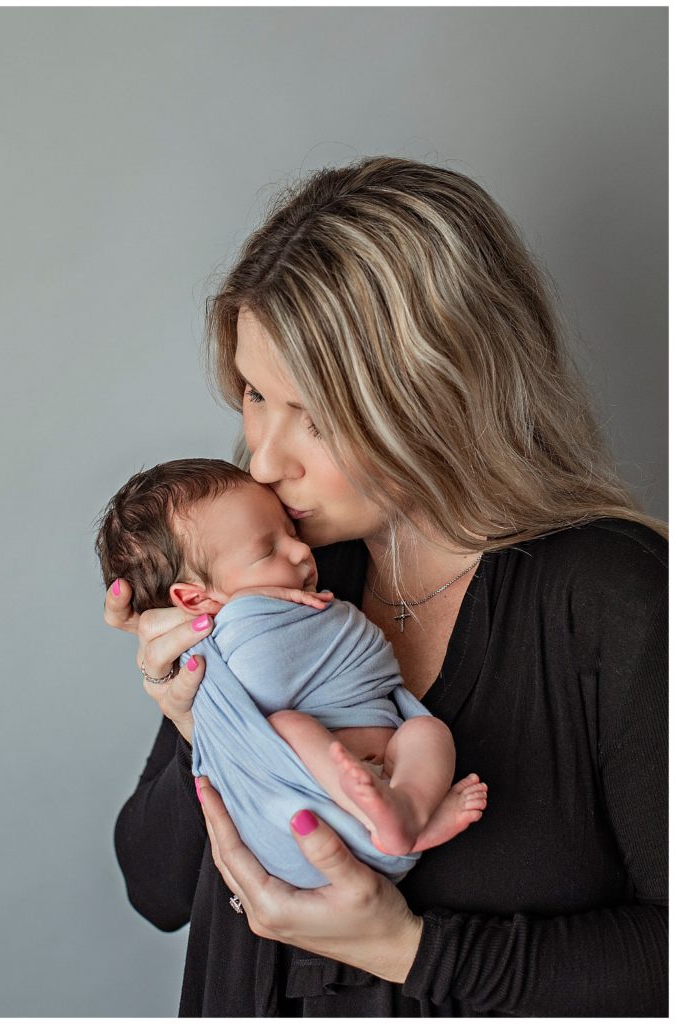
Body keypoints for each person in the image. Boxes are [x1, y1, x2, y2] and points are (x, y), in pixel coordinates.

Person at [106, 157, 667, 1016]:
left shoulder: (610, 597)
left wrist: (407, 950)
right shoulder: (274, 569)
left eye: (316, 415)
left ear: (442, 394)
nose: (264, 460)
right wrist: (195, 720)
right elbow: (157, 890)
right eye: (254, 392)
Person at [95, 457, 488, 886]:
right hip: (311, 811)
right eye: (268, 550)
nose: (302, 551)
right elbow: (150, 886)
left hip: (388, 775)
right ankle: (377, 816)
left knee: (427, 732)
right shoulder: (212, 646)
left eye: (292, 533)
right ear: (193, 601)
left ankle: (408, 812)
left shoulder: (302, 566)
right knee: (288, 725)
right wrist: (192, 718)